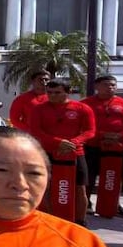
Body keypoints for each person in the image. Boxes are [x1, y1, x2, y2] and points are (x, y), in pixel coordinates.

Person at [30, 80, 96, 224]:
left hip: (75, 153)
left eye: (57, 92)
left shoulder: (82, 108)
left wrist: (73, 143)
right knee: (44, 186)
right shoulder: (38, 109)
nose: (52, 96)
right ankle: (46, 219)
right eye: (49, 92)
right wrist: (58, 142)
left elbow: (90, 131)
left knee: (80, 188)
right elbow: (35, 130)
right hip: (46, 153)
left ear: (68, 92)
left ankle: (80, 221)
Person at [81, 75, 123, 219]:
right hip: (92, 146)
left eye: (113, 85)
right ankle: (86, 204)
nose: (110, 87)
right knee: (89, 176)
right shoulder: (85, 104)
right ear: (97, 86)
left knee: (117, 177)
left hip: (118, 147)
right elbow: (80, 125)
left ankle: (114, 205)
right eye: (106, 84)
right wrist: (100, 134)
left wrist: (118, 136)